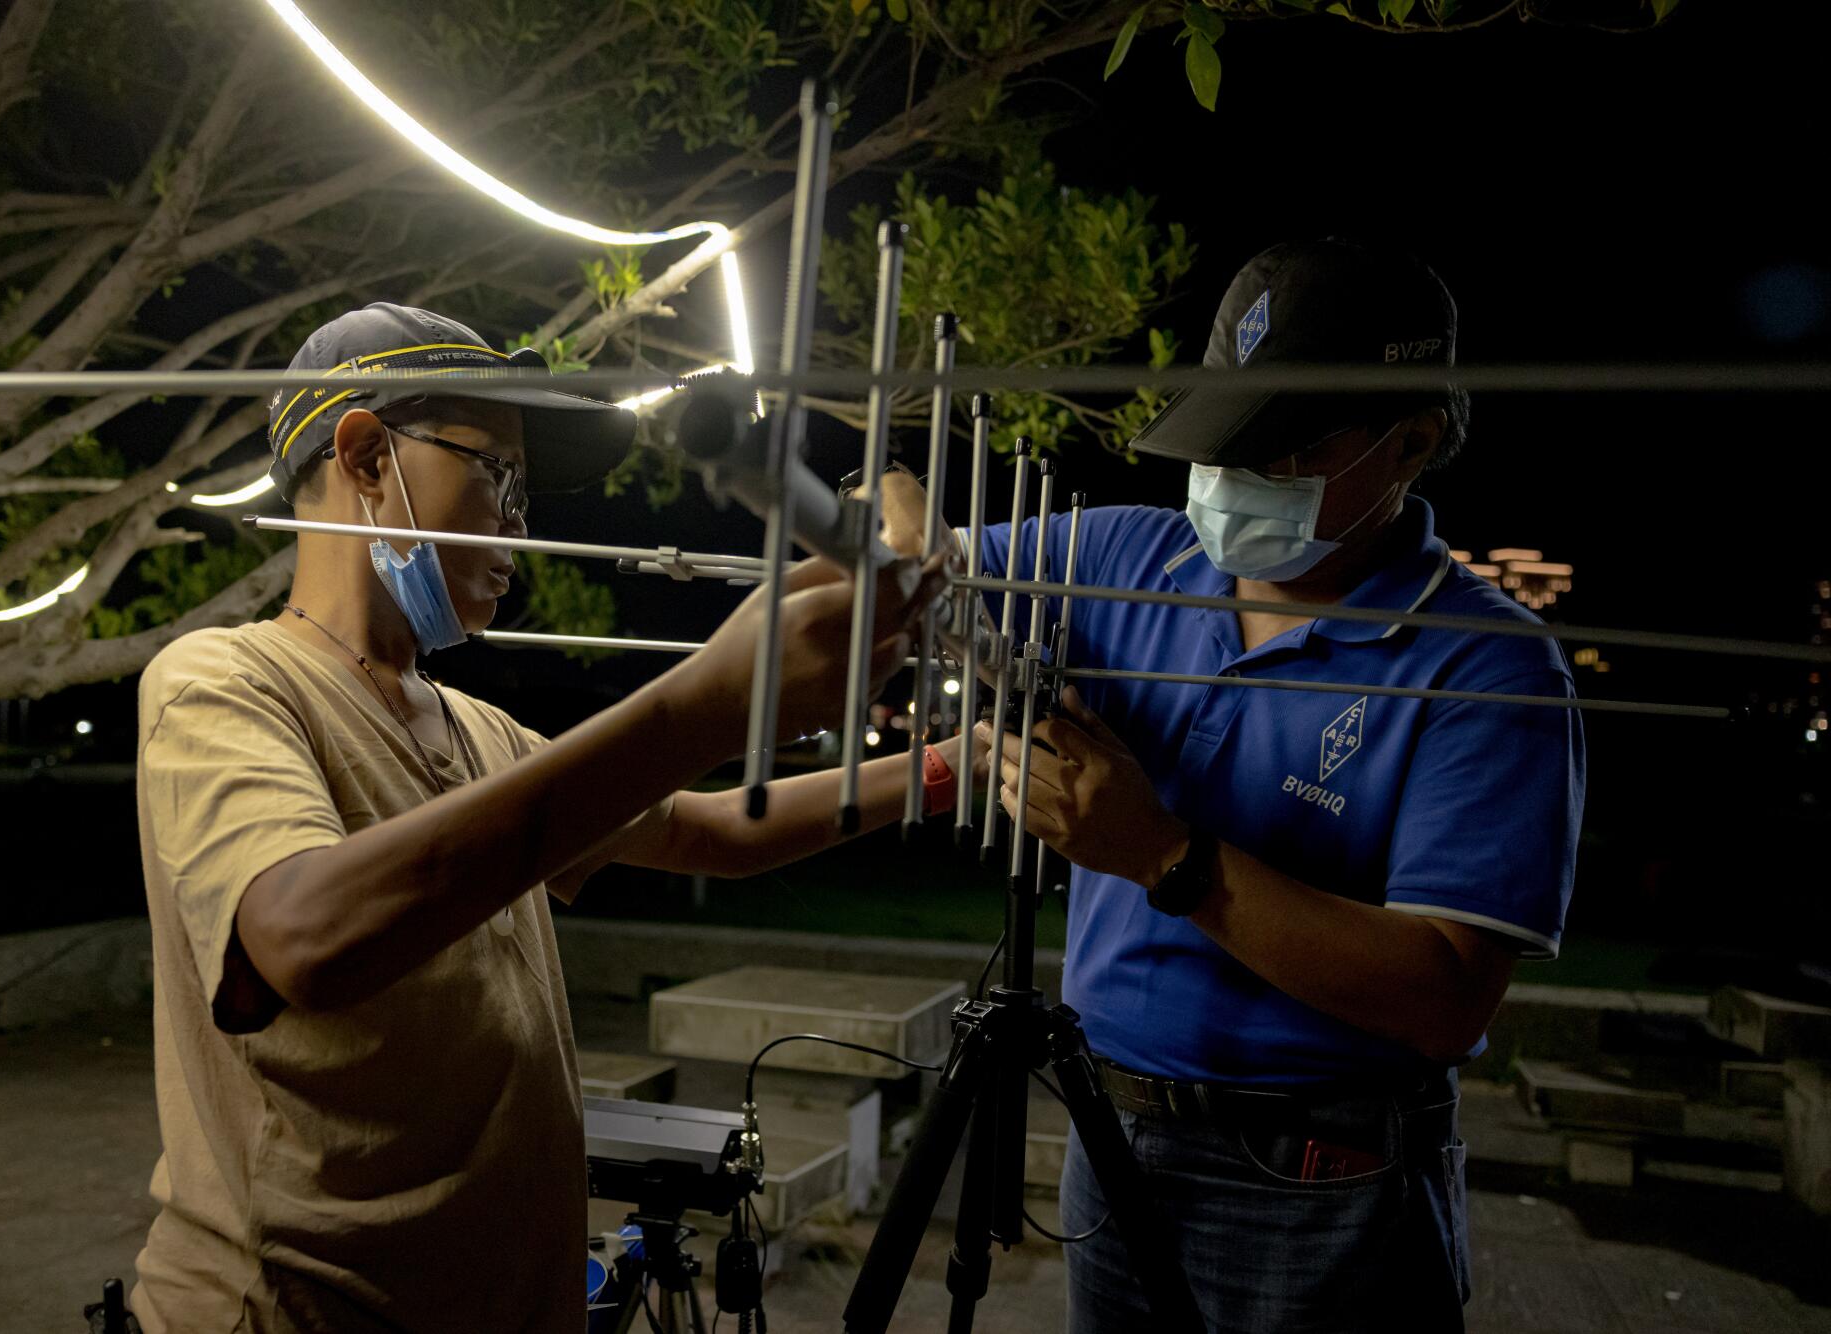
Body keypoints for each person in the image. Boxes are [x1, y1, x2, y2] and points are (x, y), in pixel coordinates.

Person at [129, 303, 964, 1333]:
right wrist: (706, 702)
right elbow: (302, 932)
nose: (519, 521)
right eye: (498, 473)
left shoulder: (478, 730)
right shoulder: (222, 679)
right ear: (367, 455)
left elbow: (714, 831)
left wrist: (956, 768)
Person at [877, 240, 1586, 1332]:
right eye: (1225, 436)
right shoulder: (1121, 556)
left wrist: (1166, 858)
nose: (1233, 476)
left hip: (1323, 1178)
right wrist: (893, 520)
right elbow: (905, 533)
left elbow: (1444, 997)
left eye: (1287, 446)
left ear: (1412, 440)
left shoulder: (1485, 664)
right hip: (1114, 1141)